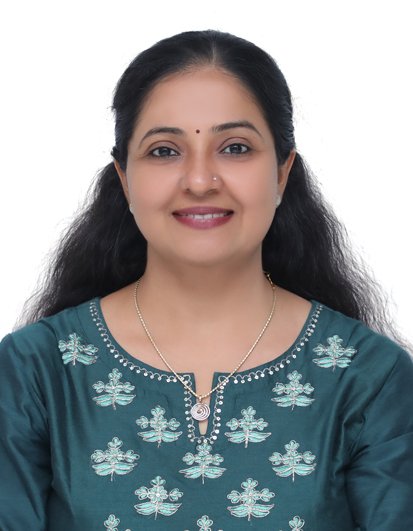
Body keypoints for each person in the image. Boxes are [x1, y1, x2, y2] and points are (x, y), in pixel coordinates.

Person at [0, 29, 412, 531]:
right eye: (164, 151)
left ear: (282, 173)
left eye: (235, 148)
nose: (199, 181)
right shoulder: (36, 372)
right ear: (124, 178)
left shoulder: (369, 377)